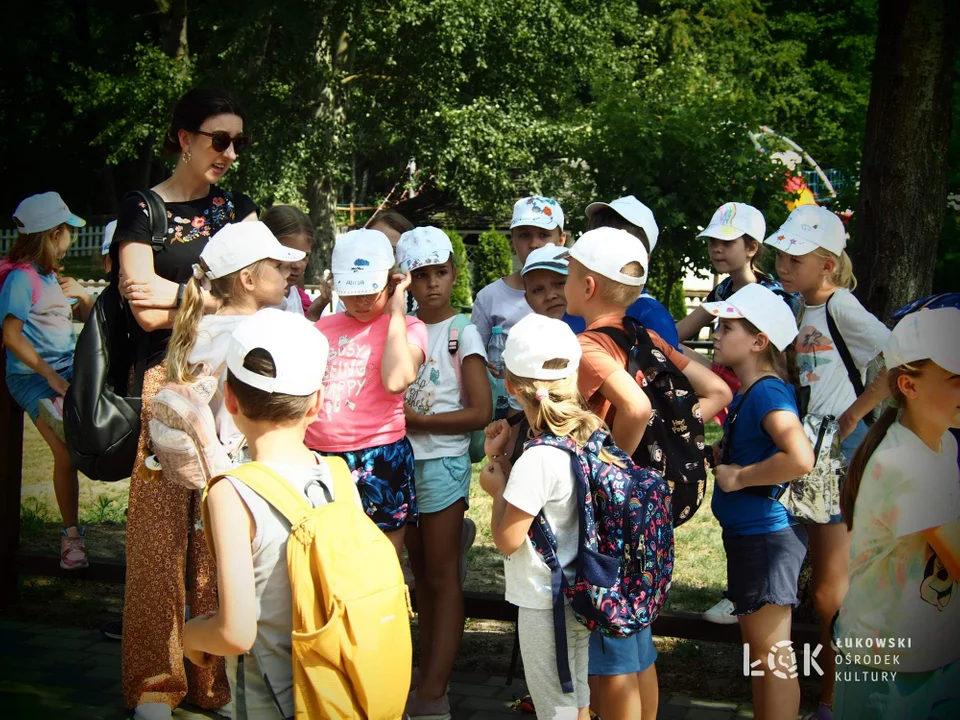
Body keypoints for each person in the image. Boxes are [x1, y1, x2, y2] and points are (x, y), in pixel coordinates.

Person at [113, 87, 258, 718]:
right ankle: (154, 685)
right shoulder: (143, 209)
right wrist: (213, 293)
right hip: (163, 383)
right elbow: (139, 306)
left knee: (221, 537)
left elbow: (260, 292)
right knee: (157, 542)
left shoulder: (241, 209)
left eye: (238, 141)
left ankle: (212, 684)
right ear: (184, 138)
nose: (230, 152)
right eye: (219, 138)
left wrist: (189, 294)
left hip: (228, 388)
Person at [562, 226, 731, 720]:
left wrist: (616, 465)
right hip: (651, 506)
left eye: (569, 274)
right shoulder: (648, 337)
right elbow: (717, 392)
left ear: (587, 286)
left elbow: (633, 408)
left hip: (612, 510)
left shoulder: (588, 347)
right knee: (635, 632)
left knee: (609, 637)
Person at [183, 308, 362, 718]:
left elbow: (236, 633)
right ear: (316, 404)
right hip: (340, 691)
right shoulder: (339, 477)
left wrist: (192, 635)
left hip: (272, 700)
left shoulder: (231, 493)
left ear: (229, 399)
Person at [766, 205, 890, 720]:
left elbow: (897, 358)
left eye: (796, 256)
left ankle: (837, 701)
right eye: (781, 254)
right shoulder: (802, 310)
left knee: (829, 587)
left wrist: (852, 415)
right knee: (822, 581)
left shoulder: (842, 307)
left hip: (840, 448)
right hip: (812, 446)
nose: (784, 265)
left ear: (828, 264)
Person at [675, 202, 800, 626]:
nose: (715, 249)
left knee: (769, 652)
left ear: (752, 247)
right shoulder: (722, 294)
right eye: (711, 240)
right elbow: (679, 337)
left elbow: (784, 361)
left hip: (753, 397)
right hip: (739, 397)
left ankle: (746, 596)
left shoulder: (772, 299)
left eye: (725, 241)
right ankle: (741, 594)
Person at [834, 307, 960, 720]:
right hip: (885, 667)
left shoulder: (942, 444)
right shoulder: (905, 464)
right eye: (958, 381)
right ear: (909, 385)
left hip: (926, 650)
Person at [705, 283, 814, 720]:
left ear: (758, 340)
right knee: (762, 660)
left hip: (766, 540)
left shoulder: (767, 392)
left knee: (773, 662)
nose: (715, 334)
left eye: (726, 327)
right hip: (753, 539)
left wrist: (740, 477)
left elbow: (800, 457)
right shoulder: (755, 392)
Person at [479, 312, 594, 720]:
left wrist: (496, 494)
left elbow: (509, 539)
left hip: (545, 603)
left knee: (555, 706)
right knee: (577, 697)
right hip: (581, 592)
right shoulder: (588, 435)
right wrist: (502, 459)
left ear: (510, 386)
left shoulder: (538, 458)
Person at [397, 227, 491, 720]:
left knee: (441, 575)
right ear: (405, 280)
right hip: (400, 464)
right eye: (421, 275)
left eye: (441, 272)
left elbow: (481, 411)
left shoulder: (462, 330)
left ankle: (434, 692)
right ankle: (423, 677)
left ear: (454, 273)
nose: (432, 283)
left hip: (443, 463)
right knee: (419, 580)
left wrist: (420, 423)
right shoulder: (402, 327)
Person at [307, 229, 427, 556]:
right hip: (321, 456)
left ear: (392, 281)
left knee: (380, 562)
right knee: (326, 561)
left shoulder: (410, 328)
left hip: (379, 454)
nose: (360, 301)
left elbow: (396, 379)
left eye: (369, 291)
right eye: (351, 292)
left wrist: (397, 310)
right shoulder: (323, 328)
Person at [1, 192, 93, 569]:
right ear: (54, 234)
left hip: (63, 374)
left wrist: (84, 297)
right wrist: (51, 376)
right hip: (34, 379)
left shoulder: (51, 278)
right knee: (66, 453)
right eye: (67, 232)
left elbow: (88, 319)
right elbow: (11, 335)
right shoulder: (22, 280)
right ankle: (71, 541)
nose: (70, 239)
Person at [164, 221, 303, 451]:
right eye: (278, 266)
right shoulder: (261, 333)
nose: (288, 272)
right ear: (248, 280)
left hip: (213, 458)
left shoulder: (200, 328)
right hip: (251, 455)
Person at [584, 195, 678, 348]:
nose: (600, 251)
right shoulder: (576, 303)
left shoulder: (652, 316)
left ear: (644, 260)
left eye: (615, 246)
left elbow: (668, 369)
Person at [471, 196, 567, 346]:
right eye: (524, 235)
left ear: (561, 240)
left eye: (544, 235)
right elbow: (475, 358)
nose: (534, 244)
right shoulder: (489, 298)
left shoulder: (578, 291)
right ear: (513, 240)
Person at [260, 205, 313, 316]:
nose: (297, 265)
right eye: (289, 254)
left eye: (304, 257)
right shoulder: (245, 305)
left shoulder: (305, 303)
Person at [520, 244, 582, 334]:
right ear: (527, 299)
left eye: (560, 283)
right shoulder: (524, 337)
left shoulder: (598, 329)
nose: (550, 296)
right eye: (538, 290)